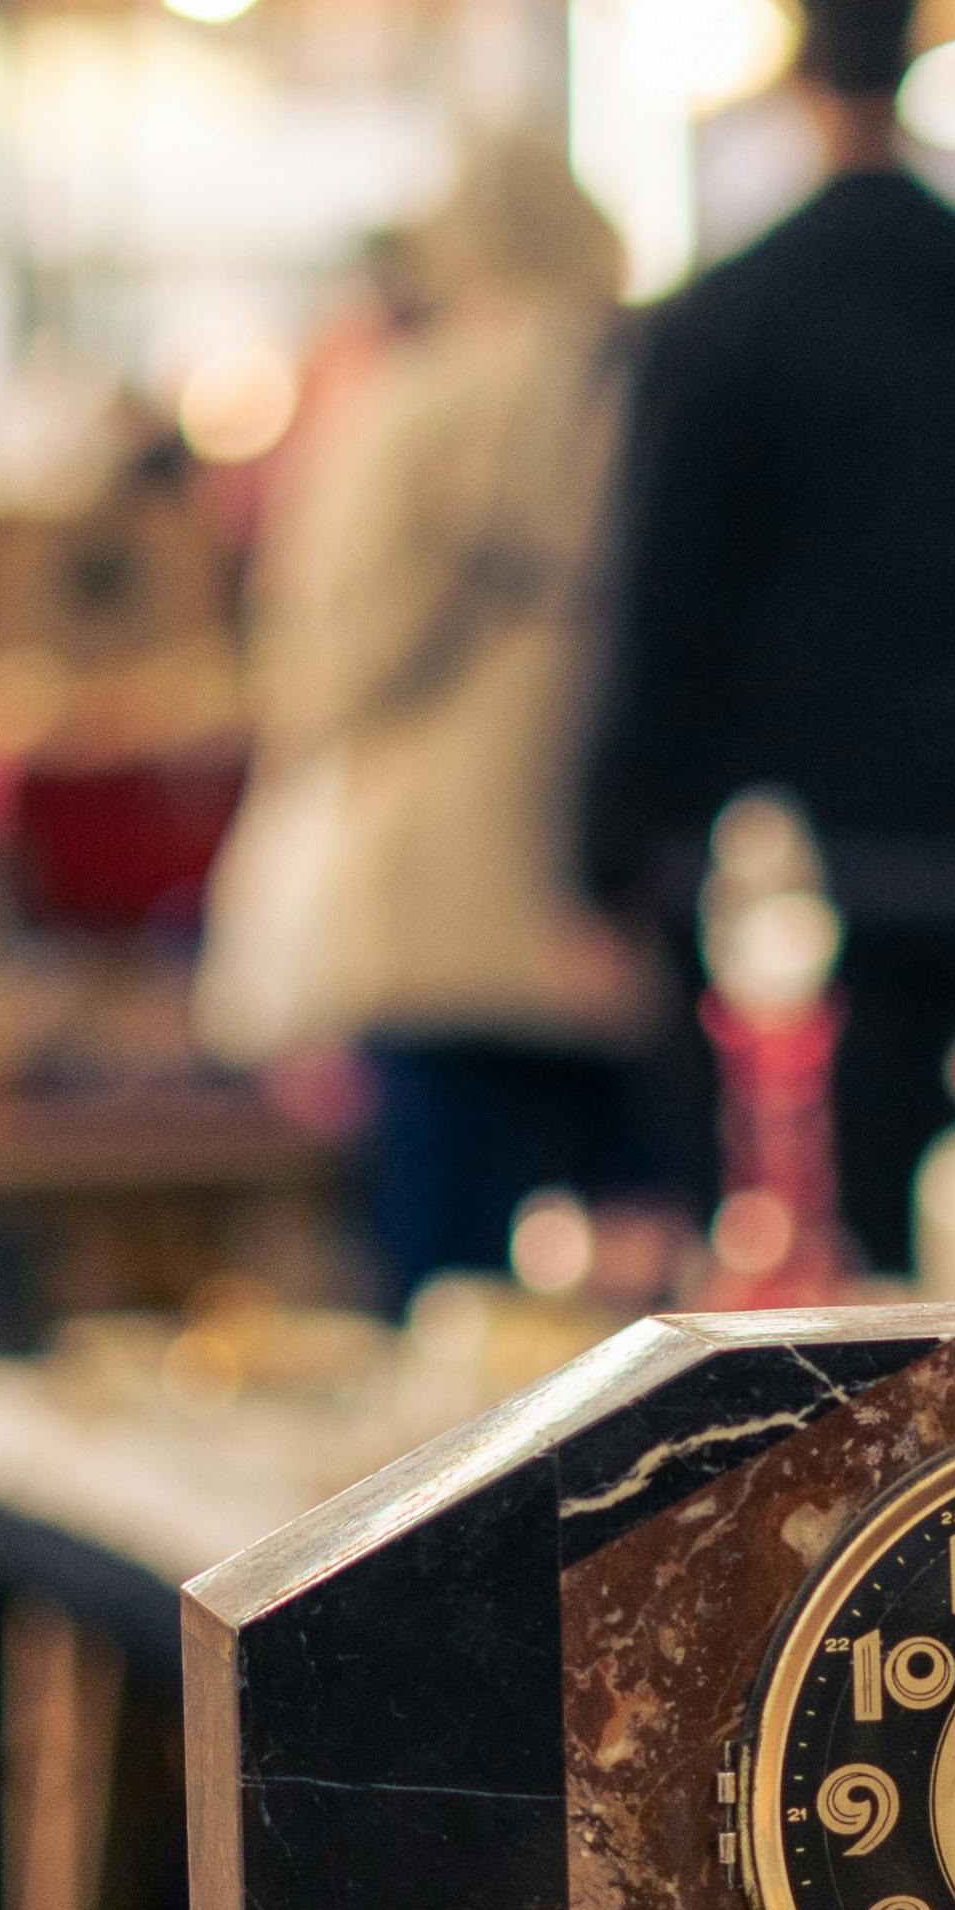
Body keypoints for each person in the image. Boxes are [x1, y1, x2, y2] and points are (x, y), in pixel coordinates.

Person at [582, 0, 955, 1269]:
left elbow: (664, 600)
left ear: (798, 66)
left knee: (811, 1249)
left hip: (794, 870)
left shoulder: (731, 314)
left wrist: (613, 836)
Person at [202, 143, 653, 1299]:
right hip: (611, 907)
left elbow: (323, 662)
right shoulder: (649, 386)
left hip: (436, 901)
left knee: (450, 1295)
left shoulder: (414, 404)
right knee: (617, 1304)